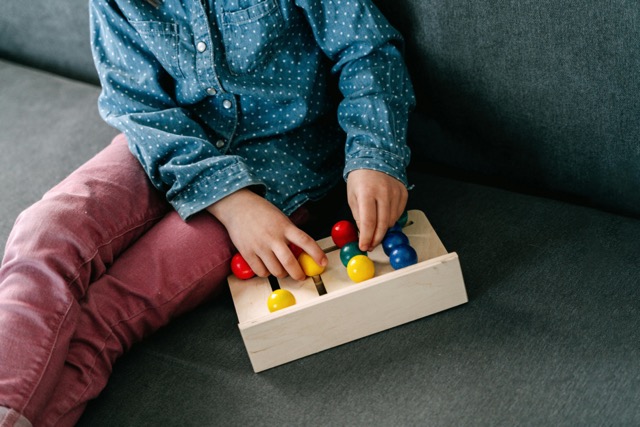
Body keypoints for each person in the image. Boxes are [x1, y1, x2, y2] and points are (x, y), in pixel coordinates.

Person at [0, 0, 415, 425]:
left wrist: (373, 154)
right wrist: (230, 201)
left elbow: (366, 49)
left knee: (109, 309)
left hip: (281, 166)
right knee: (43, 234)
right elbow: (138, 106)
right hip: (163, 144)